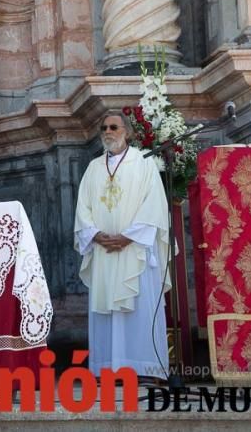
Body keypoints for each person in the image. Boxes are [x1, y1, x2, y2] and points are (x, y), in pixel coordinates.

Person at [73, 110, 171, 379]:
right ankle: (108, 367)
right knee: (108, 310)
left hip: (135, 249)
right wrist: (95, 234)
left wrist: (129, 236)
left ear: (126, 132)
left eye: (114, 127)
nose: (107, 132)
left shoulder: (145, 163)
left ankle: (144, 367)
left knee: (138, 309)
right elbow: (83, 207)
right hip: (104, 250)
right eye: (104, 127)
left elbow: (154, 206)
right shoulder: (94, 168)